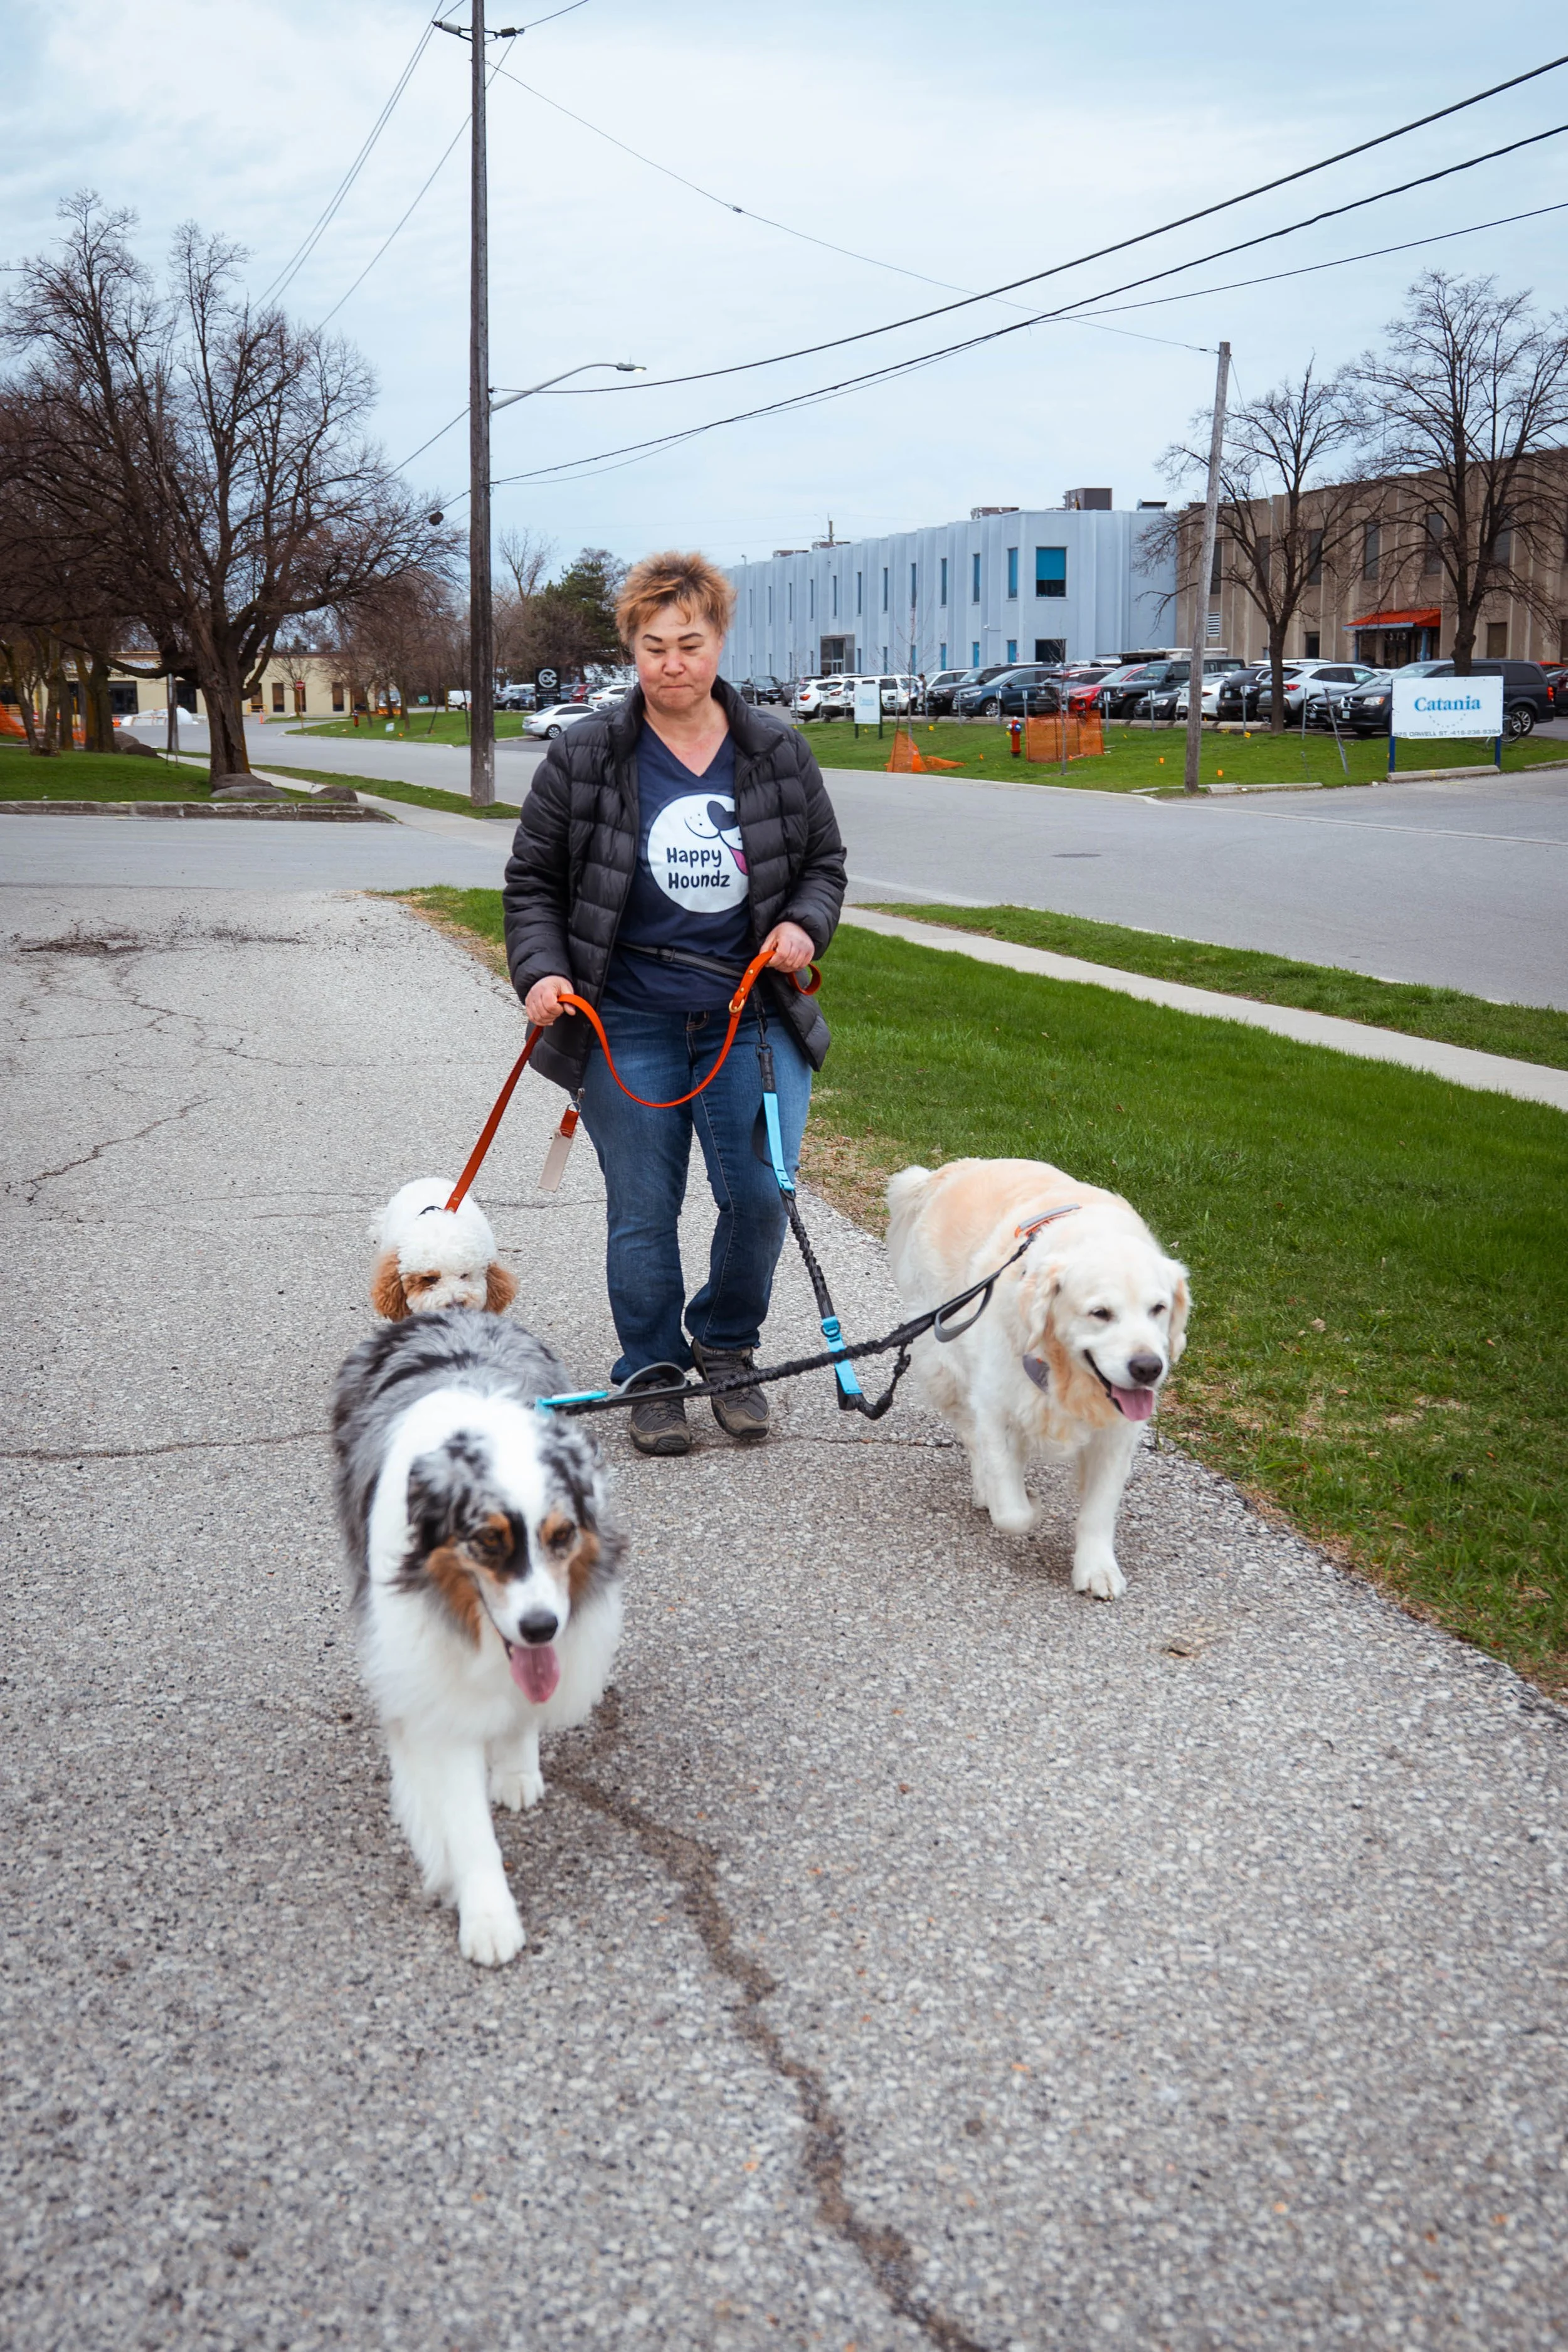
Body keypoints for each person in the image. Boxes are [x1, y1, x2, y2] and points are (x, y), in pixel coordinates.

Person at [502, 551, 847, 1457]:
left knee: (762, 1196)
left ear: (720, 641)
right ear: (632, 651)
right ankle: (652, 1368)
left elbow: (823, 865)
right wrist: (541, 972)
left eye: (689, 644)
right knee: (643, 1209)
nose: (672, 664)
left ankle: (726, 1343)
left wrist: (807, 924)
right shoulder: (586, 755)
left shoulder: (775, 748)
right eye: (653, 647)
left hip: (750, 1017)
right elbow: (532, 880)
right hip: (628, 1020)